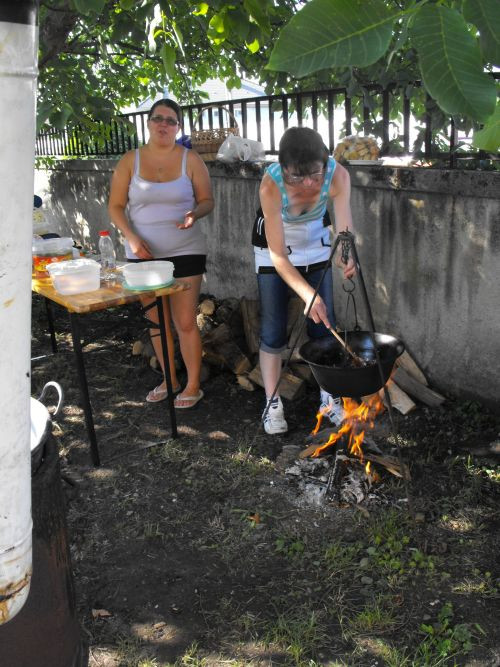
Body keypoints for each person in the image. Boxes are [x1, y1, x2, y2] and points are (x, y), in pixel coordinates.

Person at [108, 98, 214, 408]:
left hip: (186, 250)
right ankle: (170, 379)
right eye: (158, 119)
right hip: (142, 254)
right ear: (149, 123)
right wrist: (131, 237)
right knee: (156, 321)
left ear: (178, 126)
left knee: (184, 321)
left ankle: (193, 385)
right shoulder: (130, 160)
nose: (164, 125)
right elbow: (115, 206)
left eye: (171, 120)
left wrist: (195, 213)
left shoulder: (190, 159)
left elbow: (208, 200)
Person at [255, 126, 356, 435]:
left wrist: (347, 256)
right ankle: (272, 402)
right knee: (273, 330)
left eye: (315, 173)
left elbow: (344, 231)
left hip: (315, 242)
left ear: (324, 162)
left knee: (325, 326)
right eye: (296, 177)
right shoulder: (271, 185)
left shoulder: (336, 175)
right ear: (283, 168)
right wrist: (307, 293)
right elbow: (279, 258)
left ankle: (329, 398)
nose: (309, 183)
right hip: (274, 250)